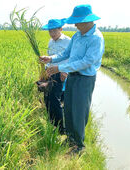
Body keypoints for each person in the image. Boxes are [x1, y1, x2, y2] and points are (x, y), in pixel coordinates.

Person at [40, 4, 105, 154]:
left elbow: (87, 62)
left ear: (88, 21)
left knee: (79, 111)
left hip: (84, 79)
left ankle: (79, 145)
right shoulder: (77, 36)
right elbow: (65, 55)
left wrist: (60, 68)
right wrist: (50, 58)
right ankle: (70, 139)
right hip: (72, 76)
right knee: (68, 108)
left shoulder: (96, 38)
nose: (75, 25)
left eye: (77, 21)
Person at [38, 19, 70, 133]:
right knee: (47, 98)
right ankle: (52, 123)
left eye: (54, 31)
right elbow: (51, 59)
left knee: (55, 99)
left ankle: (61, 128)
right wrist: (44, 67)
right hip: (51, 72)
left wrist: (65, 71)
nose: (52, 34)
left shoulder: (68, 41)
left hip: (61, 73)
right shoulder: (50, 42)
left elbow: (70, 58)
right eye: (50, 31)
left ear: (61, 29)